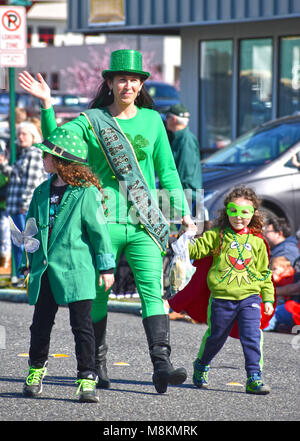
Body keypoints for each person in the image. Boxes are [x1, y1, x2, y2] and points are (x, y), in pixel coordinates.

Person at [19, 49, 196, 394]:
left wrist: (183, 211)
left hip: (144, 220)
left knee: (152, 292)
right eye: (121, 79)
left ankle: (161, 366)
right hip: (101, 220)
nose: (128, 85)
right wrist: (46, 105)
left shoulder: (153, 121)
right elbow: (60, 145)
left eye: (134, 79)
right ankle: (97, 364)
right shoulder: (92, 120)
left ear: (140, 84)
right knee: (98, 293)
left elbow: (167, 172)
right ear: (110, 83)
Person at [20, 127, 115, 403]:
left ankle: (87, 377)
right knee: (40, 324)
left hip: (77, 271)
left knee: (82, 326)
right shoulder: (41, 192)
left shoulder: (85, 193)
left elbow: (100, 233)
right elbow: (32, 229)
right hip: (46, 270)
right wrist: (28, 255)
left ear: (61, 159)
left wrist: (107, 268)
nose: (43, 158)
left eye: (47, 155)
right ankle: (36, 370)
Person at [178, 186, 275, 394]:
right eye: (234, 211)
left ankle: (254, 377)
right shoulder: (216, 236)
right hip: (221, 299)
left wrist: (267, 299)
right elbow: (194, 250)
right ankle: (202, 364)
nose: (239, 217)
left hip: (250, 298)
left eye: (245, 212)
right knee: (216, 337)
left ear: (253, 214)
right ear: (226, 211)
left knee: (252, 337)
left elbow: (265, 274)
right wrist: (187, 235)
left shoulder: (258, 242)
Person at [0, 121, 48, 282]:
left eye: (24, 134)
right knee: (18, 240)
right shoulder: (25, 153)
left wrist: (25, 204)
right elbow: (14, 175)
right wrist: (4, 164)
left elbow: (32, 182)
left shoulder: (34, 153)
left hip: (23, 206)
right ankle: (21, 275)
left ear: (33, 136)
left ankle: (25, 275)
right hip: (15, 205)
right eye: (19, 134)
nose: (20, 137)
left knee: (25, 242)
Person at [165, 103, 202, 209]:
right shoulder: (176, 138)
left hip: (185, 197)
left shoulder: (186, 140)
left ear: (174, 119)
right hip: (179, 195)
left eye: (167, 117)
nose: (166, 120)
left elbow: (186, 173)